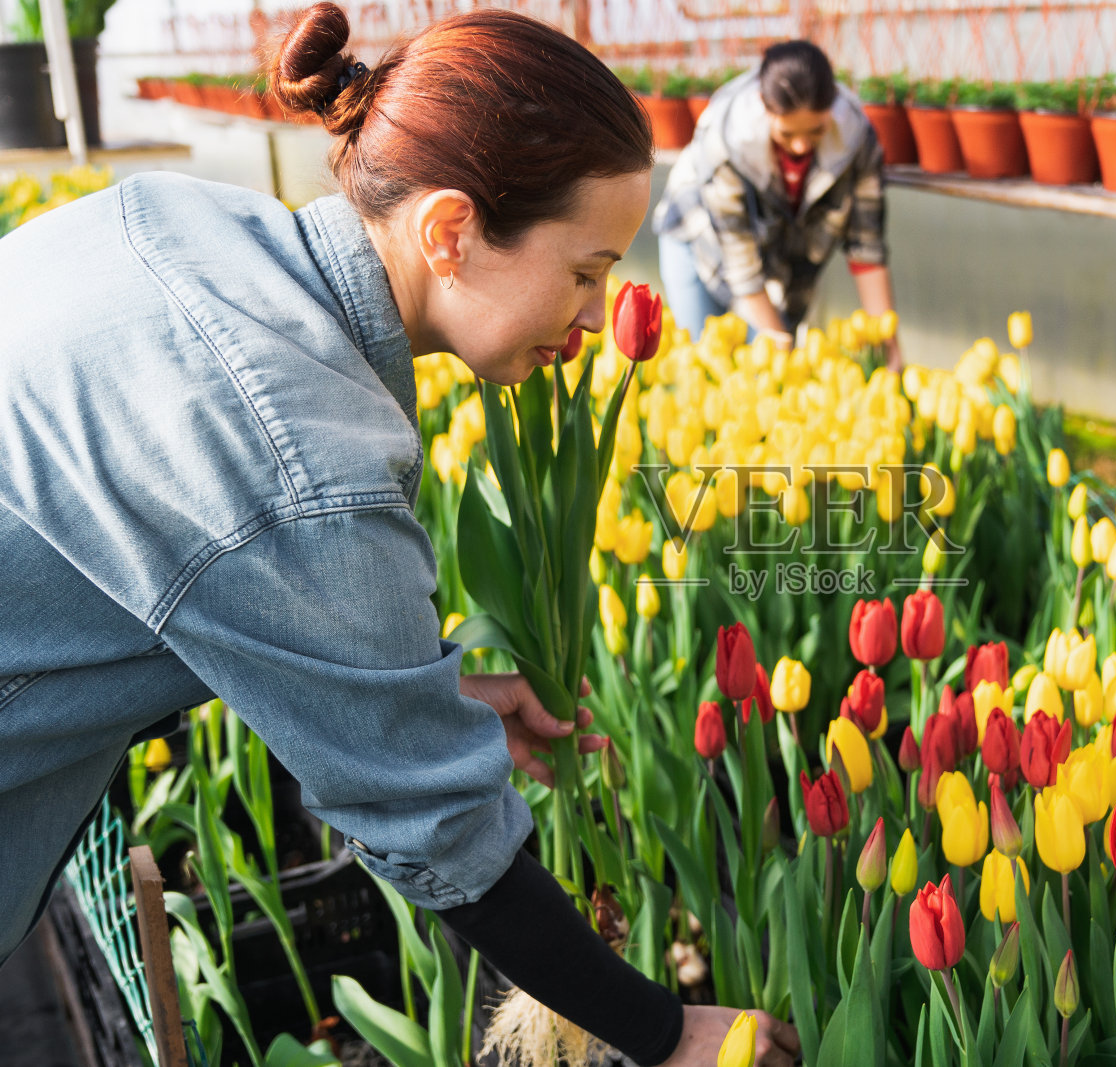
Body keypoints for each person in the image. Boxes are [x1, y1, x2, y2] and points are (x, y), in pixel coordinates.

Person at [0, 5, 799, 1065]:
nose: (600, 315)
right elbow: (437, 823)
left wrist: (427, 693)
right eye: (583, 271)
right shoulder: (303, 458)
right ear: (450, 232)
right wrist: (664, 1029)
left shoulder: (176, 221)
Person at [654, 39, 902, 366]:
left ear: (832, 107)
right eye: (786, 135)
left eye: (815, 132)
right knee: (705, 364)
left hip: (778, 262)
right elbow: (739, 261)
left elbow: (866, 247)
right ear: (764, 106)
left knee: (770, 367)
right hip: (696, 238)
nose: (800, 146)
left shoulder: (856, 139)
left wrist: (889, 347)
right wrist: (781, 348)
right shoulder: (728, 140)